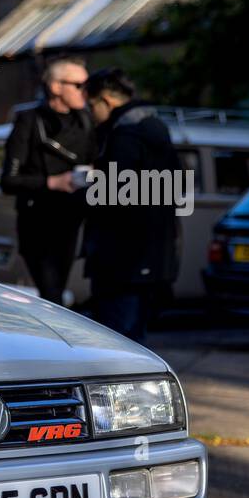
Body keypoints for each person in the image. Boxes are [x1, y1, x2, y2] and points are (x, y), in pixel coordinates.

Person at [80, 67, 181, 343]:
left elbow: (110, 200)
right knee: (135, 338)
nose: (91, 113)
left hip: (121, 262)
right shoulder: (158, 131)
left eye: (92, 105)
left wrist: (83, 189)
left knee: (114, 341)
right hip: (152, 259)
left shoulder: (125, 137)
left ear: (107, 100)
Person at [0, 56, 96, 303]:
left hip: (71, 219)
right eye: (78, 85)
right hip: (37, 221)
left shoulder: (86, 121)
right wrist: (52, 182)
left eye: (87, 85)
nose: (85, 91)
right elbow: (8, 181)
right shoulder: (29, 121)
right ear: (55, 87)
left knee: (57, 292)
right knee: (51, 293)